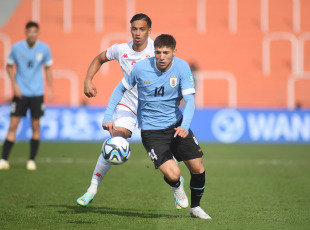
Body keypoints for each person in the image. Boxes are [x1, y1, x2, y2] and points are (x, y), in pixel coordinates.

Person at [102, 34, 211, 219]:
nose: (161, 56)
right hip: (152, 132)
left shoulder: (182, 67)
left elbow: (190, 101)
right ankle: (176, 186)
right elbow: (120, 88)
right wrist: (107, 115)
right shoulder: (141, 68)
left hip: (176, 126)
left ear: (174, 52)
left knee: (198, 168)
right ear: (154, 52)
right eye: (158, 52)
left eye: (166, 53)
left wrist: (184, 125)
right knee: (174, 174)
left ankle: (196, 207)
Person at [0, 21, 53, 171]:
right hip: (20, 93)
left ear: (37, 33)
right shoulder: (17, 48)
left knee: (35, 126)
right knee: (13, 125)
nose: (32, 34)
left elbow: (48, 68)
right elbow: (9, 66)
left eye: (34, 31)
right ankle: (4, 159)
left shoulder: (44, 48)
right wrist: (14, 85)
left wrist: (50, 88)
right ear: (26, 32)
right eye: (29, 31)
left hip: (37, 93)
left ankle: (31, 160)